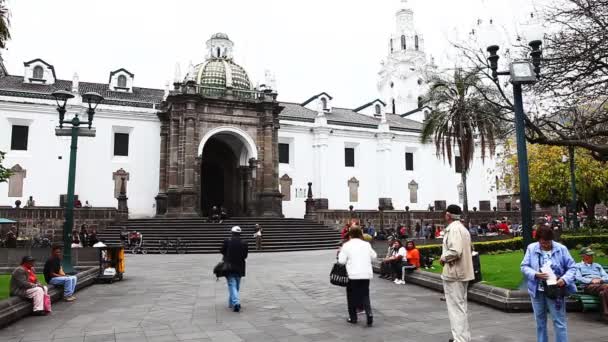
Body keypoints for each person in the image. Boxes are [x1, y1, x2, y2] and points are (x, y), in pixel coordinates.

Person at [521, 225, 576, 342]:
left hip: (555, 290)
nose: (545, 245)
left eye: (547, 243)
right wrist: (535, 274)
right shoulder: (532, 248)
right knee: (540, 322)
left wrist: (564, 279)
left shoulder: (561, 249)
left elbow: (572, 268)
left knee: (559, 321)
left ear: (552, 239)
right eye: (542, 243)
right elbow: (524, 266)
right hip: (537, 291)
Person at [440, 204, 474, 342]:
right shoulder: (462, 229)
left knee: (455, 308)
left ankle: (460, 339)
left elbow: (455, 251)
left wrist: (443, 257)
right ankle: (463, 337)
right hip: (462, 272)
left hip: (455, 273)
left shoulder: (453, 229)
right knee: (460, 307)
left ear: (448, 215)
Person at [338, 226, 377, 326]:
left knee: (351, 296)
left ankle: (353, 317)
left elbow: (341, 261)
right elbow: (374, 256)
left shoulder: (346, 245)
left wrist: (341, 253)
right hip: (365, 273)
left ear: (350, 234)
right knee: (365, 294)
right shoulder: (366, 244)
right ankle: (369, 313)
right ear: (360, 233)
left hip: (352, 274)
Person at [574, 246, 608, 322]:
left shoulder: (597, 266)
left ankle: (605, 315)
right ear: (583, 256)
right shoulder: (578, 266)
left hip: (601, 284)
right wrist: (591, 280)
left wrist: (601, 280)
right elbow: (578, 277)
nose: (591, 256)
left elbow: (606, 276)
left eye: (591, 254)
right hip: (588, 286)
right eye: (589, 255)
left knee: (602, 293)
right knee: (606, 287)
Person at [221, 226, 248, 312]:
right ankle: (231, 303)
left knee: (232, 285)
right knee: (236, 286)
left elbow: (222, 251)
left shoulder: (227, 241)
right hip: (240, 266)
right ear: (240, 233)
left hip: (229, 266)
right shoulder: (244, 242)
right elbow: (245, 256)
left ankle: (236, 303)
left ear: (232, 232)